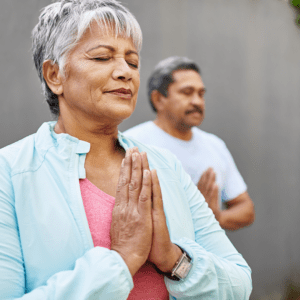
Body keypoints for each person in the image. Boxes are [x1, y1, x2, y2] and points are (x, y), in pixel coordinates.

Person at [0, 1, 252, 299]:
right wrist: (122, 260)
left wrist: (173, 259)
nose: (125, 72)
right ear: (55, 75)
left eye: (132, 62)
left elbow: (240, 283)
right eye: (103, 57)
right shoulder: (11, 172)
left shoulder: (164, 166)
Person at [125, 56, 255, 231]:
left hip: (208, 257)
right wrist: (189, 214)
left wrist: (215, 218)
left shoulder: (214, 145)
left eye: (201, 94)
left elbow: (246, 209)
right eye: (187, 92)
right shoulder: (132, 144)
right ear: (158, 99)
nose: (197, 101)